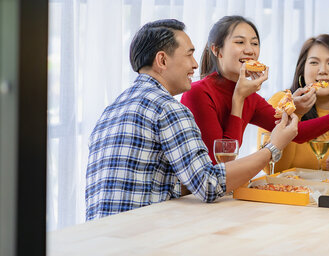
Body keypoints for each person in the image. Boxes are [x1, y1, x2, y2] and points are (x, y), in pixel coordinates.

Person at [85, 19, 299, 220]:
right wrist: (273, 148)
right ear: (162, 60)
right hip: (142, 238)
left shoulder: (111, 110)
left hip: (103, 237)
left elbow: (153, 181)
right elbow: (209, 185)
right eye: (189, 55)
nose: (196, 64)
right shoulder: (167, 108)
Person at [181, 16, 329, 164]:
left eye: (254, 43)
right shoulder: (198, 93)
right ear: (217, 50)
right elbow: (222, 162)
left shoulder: (250, 97)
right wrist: (238, 99)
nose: (249, 50)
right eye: (239, 42)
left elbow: (298, 133)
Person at [259, 34, 329, 173]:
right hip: (291, 192)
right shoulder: (281, 103)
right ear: (302, 69)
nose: (322, 71)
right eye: (314, 63)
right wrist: (293, 114)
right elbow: (271, 169)